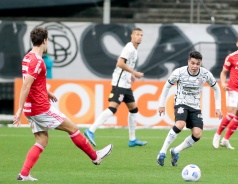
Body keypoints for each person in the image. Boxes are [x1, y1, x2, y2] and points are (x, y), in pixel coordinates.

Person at [13, 27, 112, 181]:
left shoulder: (27, 57)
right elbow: (26, 85)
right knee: (72, 128)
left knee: (42, 141)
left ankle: (23, 174)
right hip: (40, 108)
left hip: (31, 109)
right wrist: (18, 110)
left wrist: (47, 93)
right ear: (45, 40)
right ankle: (95, 156)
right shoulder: (37, 61)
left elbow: (34, 83)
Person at [156, 51, 223, 167]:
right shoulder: (179, 72)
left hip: (195, 107)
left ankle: (175, 151)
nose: (195, 66)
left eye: (198, 64)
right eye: (193, 63)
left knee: (197, 134)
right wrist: (162, 104)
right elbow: (167, 86)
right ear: (188, 62)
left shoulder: (205, 74)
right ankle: (162, 152)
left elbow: (217, 88)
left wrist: (218, 107)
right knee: (180, 124)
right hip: (181, 103)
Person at [84, 28, 147, 147]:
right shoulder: (129, 48)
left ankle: (132, 140)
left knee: (134, 110)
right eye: (137, 34)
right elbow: (120, 63)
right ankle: (91, 130)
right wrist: (134, 72)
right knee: (112, 109)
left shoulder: (134, 49)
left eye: (141, 35)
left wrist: (130, 75)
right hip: (120, 84)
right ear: (132, 36)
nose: (139, 37)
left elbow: (122, 63)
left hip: (126, 84)